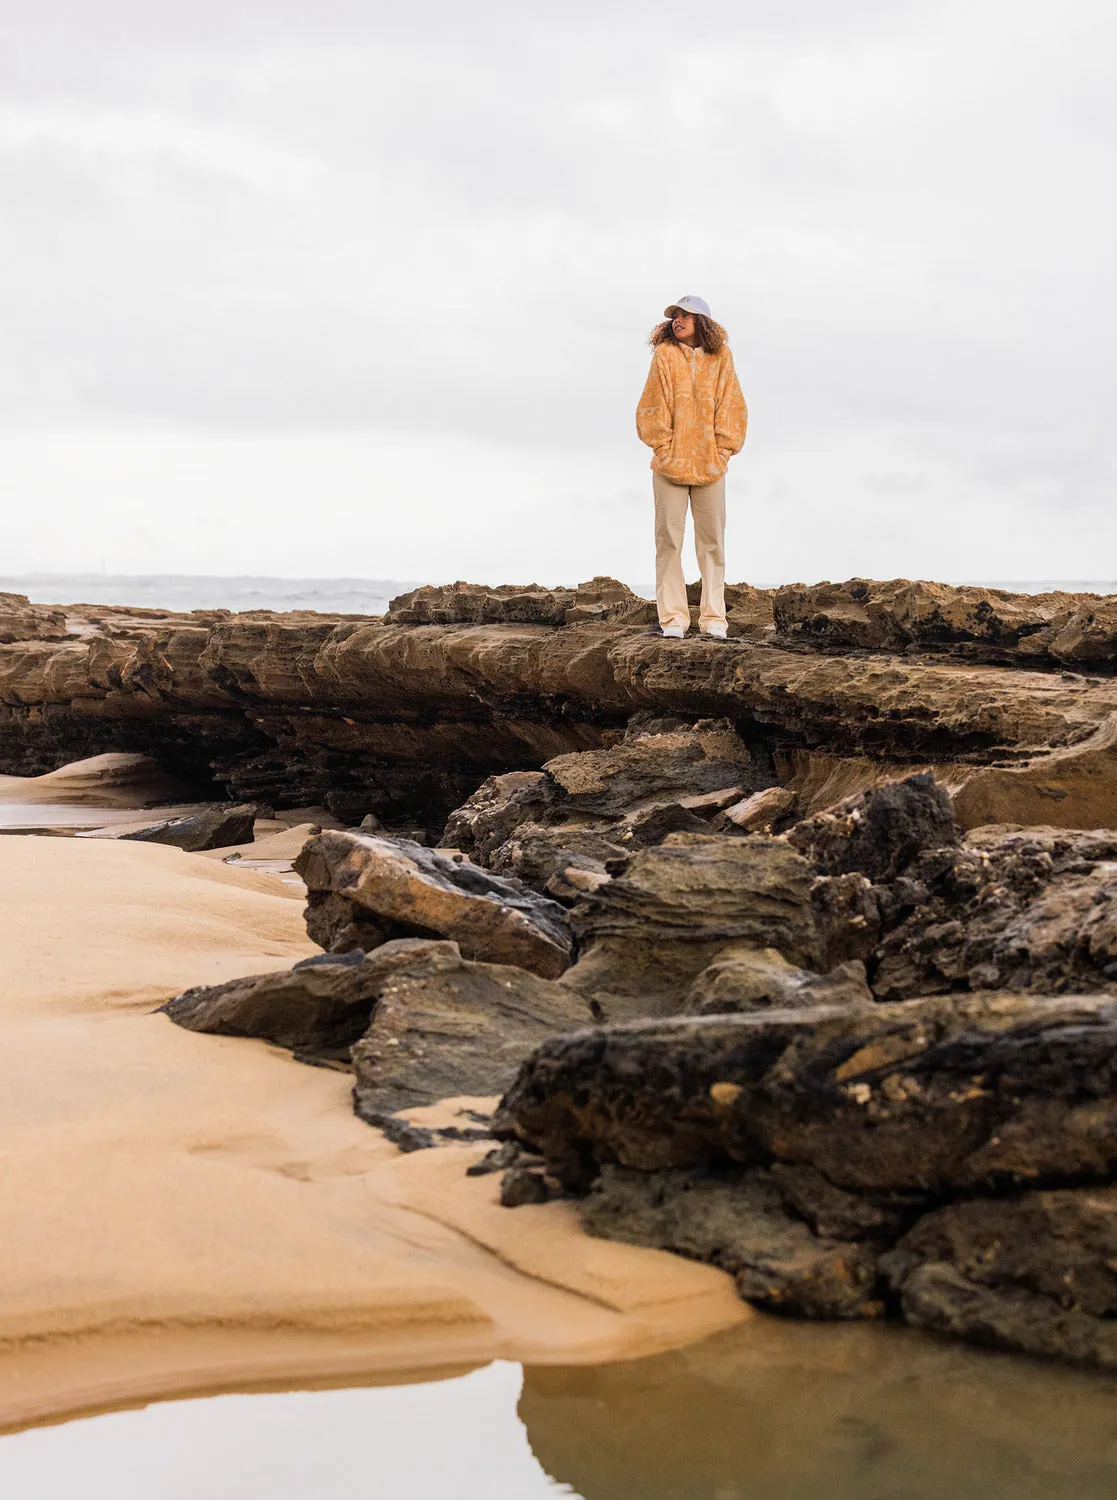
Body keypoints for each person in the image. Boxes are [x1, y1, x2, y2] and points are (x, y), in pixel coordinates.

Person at [635, 295, 748, 640]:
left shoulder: (722, 357)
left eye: (685, 315)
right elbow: (651, 406)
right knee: (668, 541)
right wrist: (665, 450)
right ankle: (674, 619)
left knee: (712, 543)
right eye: (674, 316)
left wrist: (722, 452)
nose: (677, 320)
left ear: (703, 322)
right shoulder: (664, 356)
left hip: (711, 466)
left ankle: (714, 618)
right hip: (670, 466)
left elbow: (732, 404)